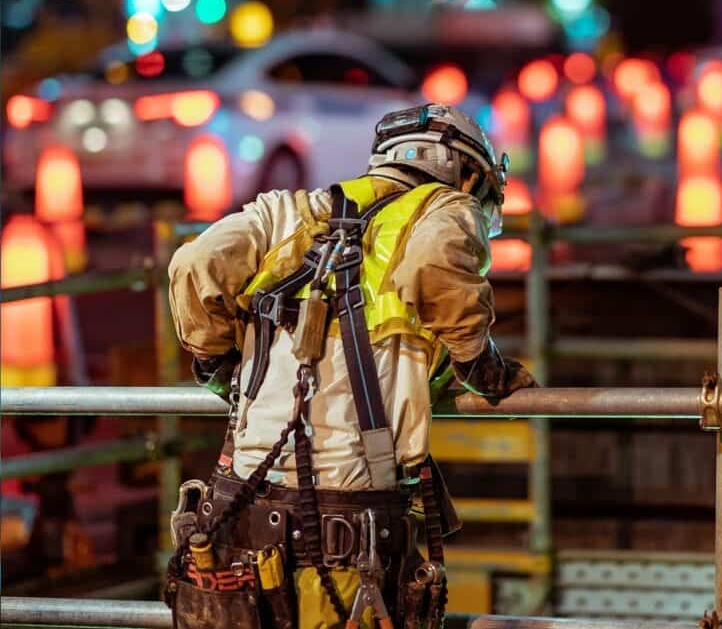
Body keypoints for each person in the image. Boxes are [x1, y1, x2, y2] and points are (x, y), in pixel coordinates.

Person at [164, 104, 537, 629]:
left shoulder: (289, 212)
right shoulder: (445, 209)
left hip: (239, 519)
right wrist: (479, 360)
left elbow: (193, 265)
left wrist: (216, 359)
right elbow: (434, 263)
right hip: (342, 532)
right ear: (468, 173)